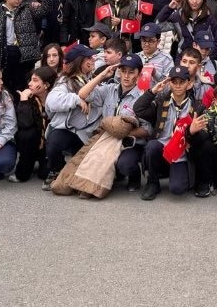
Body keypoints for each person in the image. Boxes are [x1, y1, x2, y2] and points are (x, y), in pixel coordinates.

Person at [43, 43, 114, 188]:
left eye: (92, 57)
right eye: (88, 58)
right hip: (66, 129)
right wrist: (75, 99)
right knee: (54, 144)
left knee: (90, 169)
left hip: (87, 132)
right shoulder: (65, 81)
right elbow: (51, 102)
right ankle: (56, 170)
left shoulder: (93, 79)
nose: (93, 60)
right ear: (79, 61)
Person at [134, 66, 198, 200]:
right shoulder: (161, 102)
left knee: (177, 189)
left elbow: (203, 137)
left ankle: (175, 172)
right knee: (152, 145)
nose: (178, 86)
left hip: (180, 154)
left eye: (182, 82)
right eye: (174, 82)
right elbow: (139, 109)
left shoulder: (197, 106)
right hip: (161, 150)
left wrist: (191, 132)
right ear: (170, 83)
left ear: (189, 83)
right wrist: (152, 91)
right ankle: (153, 182)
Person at [98, 53, 151, 191]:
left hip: (131, 143)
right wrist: (103, 75)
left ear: (139, 75)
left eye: (131, 72)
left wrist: (123, 132)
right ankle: (117, 174)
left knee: (125, 164)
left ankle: (134, 176)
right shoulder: (109, 89)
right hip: (107, 140)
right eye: (123, 71)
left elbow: (148, 130)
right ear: (118, 72)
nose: (126, 76)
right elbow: (83, 94)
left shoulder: (143, 98)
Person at [11, 65, 57, 182]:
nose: (30, 84)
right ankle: (25, 168)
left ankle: (49, 162)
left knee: (44, 174)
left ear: (46, 85)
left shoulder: (55, 99)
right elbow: (25, 123)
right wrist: (24, 100)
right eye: (30, 80)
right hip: (32, 145)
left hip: (49, 145)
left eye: (35, 80)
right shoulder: (28, 98)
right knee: (26, 134)